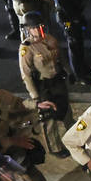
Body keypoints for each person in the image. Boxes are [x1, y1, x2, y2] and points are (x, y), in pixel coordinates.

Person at [18, 10, 73, 155]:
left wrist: (69, 71)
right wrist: (35, 96)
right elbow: (26, 75)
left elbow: (60, 57)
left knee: (66, 110)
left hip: (57, 80)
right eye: (33, 28)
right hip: (43, 85)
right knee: (48, 118)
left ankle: (74, 137)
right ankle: (55, 147)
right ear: (27, 29)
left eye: (39, 26)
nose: (37, 30)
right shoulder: (26, 48)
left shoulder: (50, 39)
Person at [44, 0, 91, 82]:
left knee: (79, 41)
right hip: (68, 16)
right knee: (74, 44)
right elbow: (62, 0)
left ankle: (82, 67)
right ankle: (79, 74)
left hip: (71, 14)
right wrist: (74, 17)